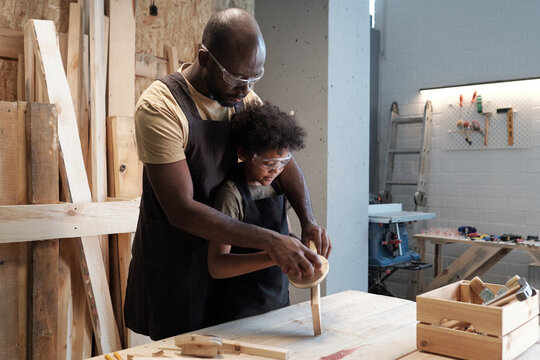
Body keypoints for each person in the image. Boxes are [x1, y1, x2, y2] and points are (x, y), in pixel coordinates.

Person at [124, 8, 331, 340]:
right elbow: (180, 209)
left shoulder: (242, 95)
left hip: (225, 266)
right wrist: (271, 242)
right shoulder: (161, 107)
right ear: (204, 58)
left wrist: (307, 220)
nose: (246, 89)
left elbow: (284, 157)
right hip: (177, 264)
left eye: (254, 78)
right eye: (237, 78)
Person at [208, 102, 307, 323]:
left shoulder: (277, 186)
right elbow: (217, 265)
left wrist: (301, 251)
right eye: (268, 163)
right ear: (243, 154)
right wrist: (274, 254)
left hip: (278, 303)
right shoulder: (231, 195)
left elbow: (285, 233)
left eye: (283, 163)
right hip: (239, 311)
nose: (276, 170)